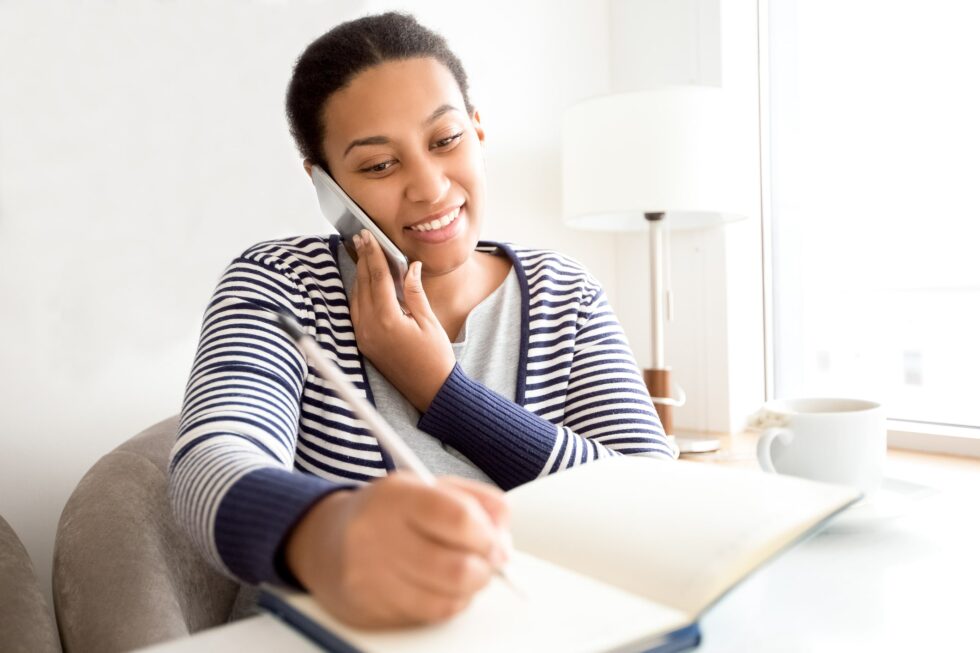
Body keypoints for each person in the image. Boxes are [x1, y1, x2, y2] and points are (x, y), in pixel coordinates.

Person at [169, 11, 674, 630]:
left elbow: (653, 500)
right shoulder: (281, 284)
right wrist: (326, 534)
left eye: (445, 140)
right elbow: (208, 463)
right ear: (325, 185)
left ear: (479, 132)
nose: (431, 188)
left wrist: (444, 392)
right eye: (379, 165)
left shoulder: (562, 292)